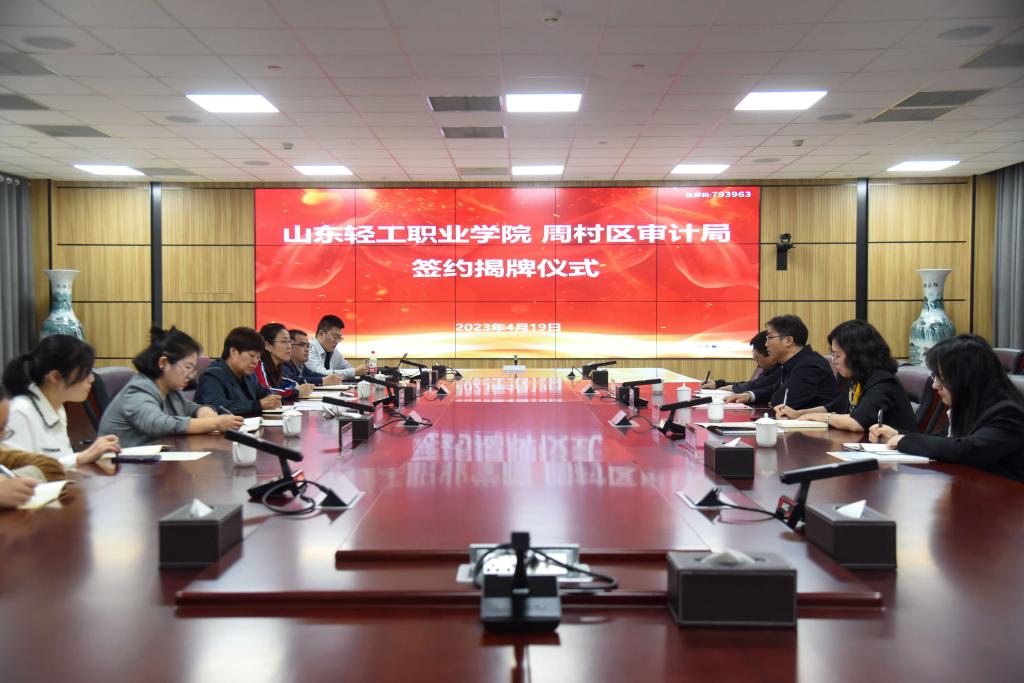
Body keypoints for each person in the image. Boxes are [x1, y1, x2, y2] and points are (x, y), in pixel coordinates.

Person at [870, 335, 1024, 483]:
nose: (935, 386)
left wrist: (905, 440)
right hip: (970, 489)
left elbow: (968, 450)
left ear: (966, 379)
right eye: (935, 377)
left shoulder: (1008, 412)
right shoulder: (968, 406)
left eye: (941, 378)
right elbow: (944, 441)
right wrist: (898, 435)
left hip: (1006, 497)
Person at [97, 327, 244, 447]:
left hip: (152, 465)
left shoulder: (168, 389)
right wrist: (215, 423)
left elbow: (189, 407)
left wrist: (204, 411)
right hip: (123, 469)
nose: (191, 375)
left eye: (193, 369)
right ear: (163, 363)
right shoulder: (137, 391)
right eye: (187, 367)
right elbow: (158, 424)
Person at [775, 320, 917, 433]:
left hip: (896, 456)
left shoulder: (883, 381)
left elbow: (857, 422)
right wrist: (798, 414)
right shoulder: (857, 378)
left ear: (857, 355)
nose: (835, 360)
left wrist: (822, 417)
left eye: (837, 355)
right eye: (833, 355)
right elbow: (834, 407)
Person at [1, 335, 120, 468]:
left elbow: (61, 460)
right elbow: (18, 473)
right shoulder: (20, 411)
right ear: (55, 377)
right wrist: (80, 457)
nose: (91, 379)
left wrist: (81, 458)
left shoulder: (57, 408)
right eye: (85, 373)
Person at [725, 315, 837, 409]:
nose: (766, 344)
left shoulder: (810, 366)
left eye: (769, 337)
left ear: (788, 340)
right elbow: (775, 389)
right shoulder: (794, 362)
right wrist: (749, 395)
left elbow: (782, 401)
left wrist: (774, 399)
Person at [1, 384, 68, 509]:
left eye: (3, 428)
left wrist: (9, 480)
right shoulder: (22, 409)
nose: (2, 436)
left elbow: (52, 468)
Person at [195, 327, 282, 416]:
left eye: (258, 357)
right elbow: (216, 406)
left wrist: (272, 399)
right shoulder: (213, 374)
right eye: (252, 356)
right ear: (233, 351)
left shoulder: (249, 375)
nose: (255, 361)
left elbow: (263, 393)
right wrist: (257, 405)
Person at [702, 331, 780, 393]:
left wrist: (733, 388)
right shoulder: (769, 369)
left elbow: (759, 385)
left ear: (771, 354)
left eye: (757, 358)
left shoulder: (781, 370)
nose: (756, 363)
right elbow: (753, 384)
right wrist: (718, 385)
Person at [255, 323, 316, 400]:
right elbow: (267, 392)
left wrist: (296, 386)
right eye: (284, 342)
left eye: (290, 341)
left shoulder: (277, 365)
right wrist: (296, 392)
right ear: (267, 345)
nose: (289, 346)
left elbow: (284, 381)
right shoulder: (258, 364)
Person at [306, 314, 368, 380]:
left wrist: (361, 370)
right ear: (321, 334)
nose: (337, 341)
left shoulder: (334, 351)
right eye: (335, 337)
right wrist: (353, 372)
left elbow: (348, 368)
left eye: (339, 338)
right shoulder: (308, 349)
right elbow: (319, 373)